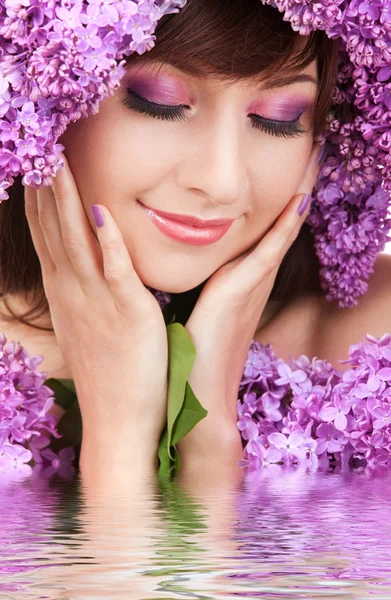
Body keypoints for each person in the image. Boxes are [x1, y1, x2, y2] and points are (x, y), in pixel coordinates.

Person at [0, 0, 390, 488]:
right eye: (158, 102)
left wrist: (209, 440)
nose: (222, 181)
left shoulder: (375, 337)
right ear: (40, 98)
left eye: (279, 117)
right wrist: (120, 437)